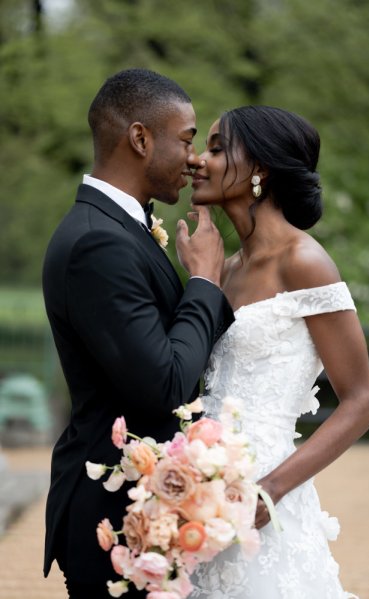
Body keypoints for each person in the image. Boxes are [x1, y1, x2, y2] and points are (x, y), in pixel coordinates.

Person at [42, 68, 234, 598]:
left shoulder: (120, 227)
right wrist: (203, 281)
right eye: (187, 139)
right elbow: (165, 383)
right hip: (115, 524)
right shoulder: (97, 244)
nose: (195, 159)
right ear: (141, 138)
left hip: (147, 514)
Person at [189, 105, 369, 598]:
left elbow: (361, 401)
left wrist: (269, 491)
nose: (197, 161)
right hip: (198, 489)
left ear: (260, 169)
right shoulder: (223, 268)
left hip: (268, 489)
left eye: (214, 147)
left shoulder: (305, 262)